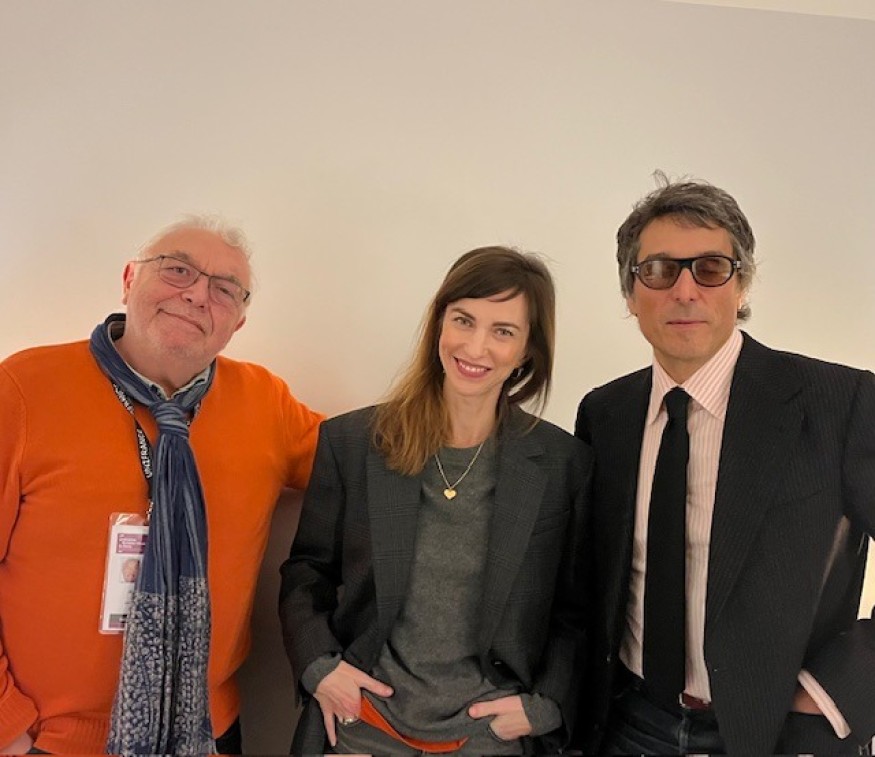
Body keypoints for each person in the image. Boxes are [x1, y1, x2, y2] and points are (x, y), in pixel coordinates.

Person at [573, 175, 875, 754]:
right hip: (629, 726)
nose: (685, 291)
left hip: (781, 734)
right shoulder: (604, 414)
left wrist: (840, 691)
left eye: (710, 268)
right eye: (659, 270)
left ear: (742, 284)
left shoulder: (839, 403)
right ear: (630, 293)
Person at [0, 216, 323, 754]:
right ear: (130, 279)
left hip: (204, 732)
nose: (197, 295)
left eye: (225, 290)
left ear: (238, 323)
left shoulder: (265, 403)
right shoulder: (24, 389)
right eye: (177, 270)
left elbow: (370, 458)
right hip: (50, 741)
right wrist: (7, 723)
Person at [279, 246, 590, 755]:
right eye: (463, 320)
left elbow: (575, 610)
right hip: (363, 726)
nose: (476, 346)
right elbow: (306, 573)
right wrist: (320, 669)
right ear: (439, 324)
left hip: (488, 737)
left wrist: (545, 707)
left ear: (527, 350)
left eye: (503, 331)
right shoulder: (353, 443)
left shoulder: (563, 464)